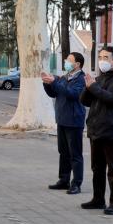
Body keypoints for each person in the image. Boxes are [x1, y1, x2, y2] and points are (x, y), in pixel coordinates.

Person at [79, 46, 113, 215]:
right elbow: (85, 101)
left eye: (105, 57)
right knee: (97, 168)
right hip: (96, 130)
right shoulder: (99, 79)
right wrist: (88, 87)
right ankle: (98, 199)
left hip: (112, 132)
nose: (102, 61)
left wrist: (94, 88)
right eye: (100, 57)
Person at [41, 52, 87, 195]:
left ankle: (76, 184)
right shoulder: (65, 77)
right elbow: (54, 93)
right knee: (63, 152)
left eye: (69, 60)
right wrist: (47, 84)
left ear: (77, 64)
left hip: (74, 121)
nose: (66, 61)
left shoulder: (81, 79)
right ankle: (64, 180)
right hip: (62, 119)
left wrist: (54, 82)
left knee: (75, 154)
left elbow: (72, 94)